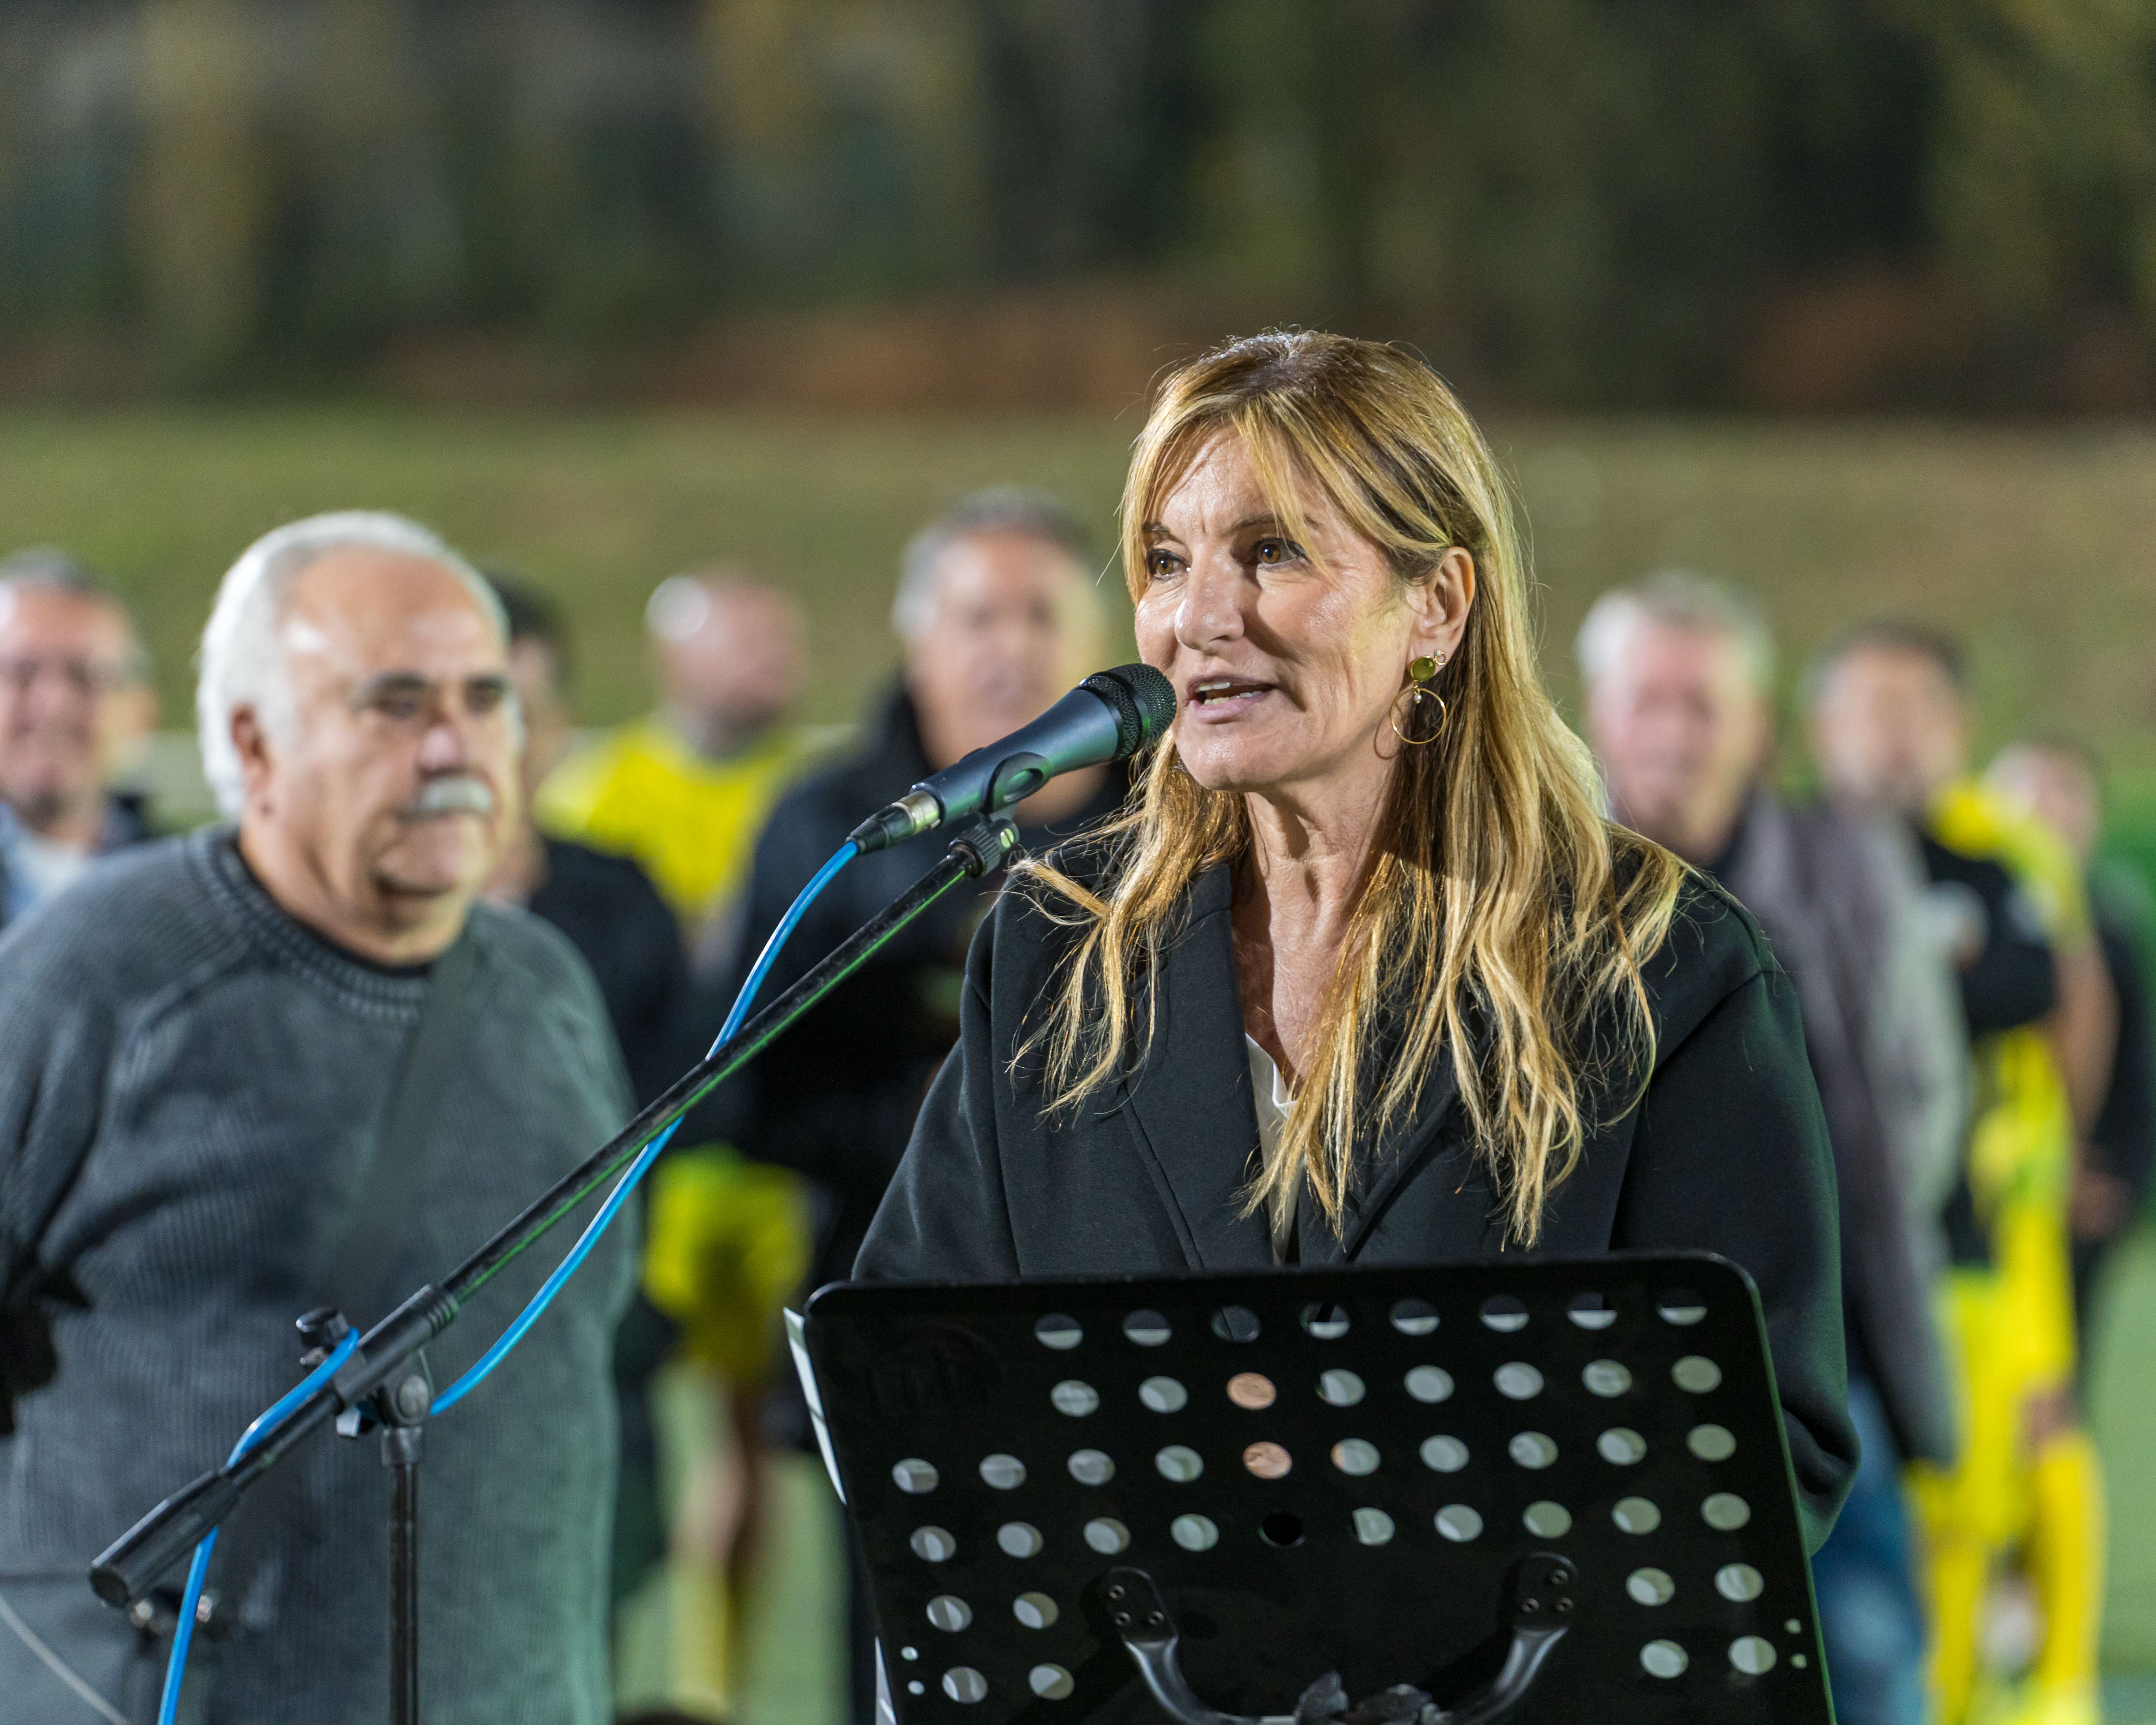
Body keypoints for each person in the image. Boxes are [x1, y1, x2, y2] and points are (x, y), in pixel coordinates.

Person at [857, 334, 1859, 1553]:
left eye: (1272, 552)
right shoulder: (1057, 944)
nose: (1200, 618)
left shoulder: (1656, 967)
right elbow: (908, 1382)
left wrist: (1355, 1466)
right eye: (1166, 562)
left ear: (1435, 603)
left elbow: (1762, 1441)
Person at [0, 513, 634, 1724]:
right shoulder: (91, 979)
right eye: (394, 704)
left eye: (484, 696)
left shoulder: (550, 989)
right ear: (254, 740)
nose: (455, 745)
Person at [722, 486, 1126, 1722]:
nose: (1008, 645)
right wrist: (951, 1129)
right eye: (975, 614)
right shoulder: (832, 828)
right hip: (908, 1349)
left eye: (1040, 612)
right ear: (917, 643)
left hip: (1142, 1353)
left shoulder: (1197, 819)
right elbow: (744, 1089)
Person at [1578, 572, 1963, 1725]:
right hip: (1605, 1352)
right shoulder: (1535, 876)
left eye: (1703, 704)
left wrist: (1814, 1251)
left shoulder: (1848, 868)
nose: (1673, 732)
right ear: (1599, 716)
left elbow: (1921, 1092)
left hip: (1821, 1340)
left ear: (1759, 725)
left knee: (1866, 1646)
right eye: (1648, 701)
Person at [1810, 624, 2106, 1725]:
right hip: (1830, 1268)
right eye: (1871, 709)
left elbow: (2040, 987)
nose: (1894, 737)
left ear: (1956, 728)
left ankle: (2008, 1693)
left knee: (1986, 1489)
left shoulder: (1992, 867)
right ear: (1819, 725)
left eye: (1917, 710)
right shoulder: (1785, 855)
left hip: (1973, 1253)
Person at [539, 567, 818, 971]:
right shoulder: (594, 791)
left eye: (785, 640)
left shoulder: (816, 783)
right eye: (749, 642)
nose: (777, 659)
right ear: (678, 659)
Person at [1988, 738, 2154, 1363]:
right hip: (1985, 1202)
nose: (2045, 812)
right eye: (2027, 791)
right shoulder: (1972, 917)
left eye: (2066, 794)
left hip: (2080, 1196)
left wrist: (2113, 1177)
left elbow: (2135, 1074)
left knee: (2060, 1374)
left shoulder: (2110, 929)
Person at [0, 547, 159, 928]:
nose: (52, 707)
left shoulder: (188, 900)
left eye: (86, 675)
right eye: (22, 672)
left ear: (140, 712)